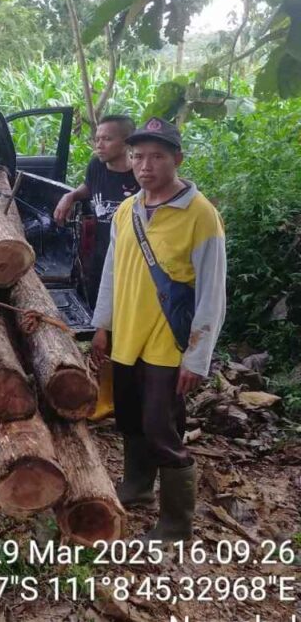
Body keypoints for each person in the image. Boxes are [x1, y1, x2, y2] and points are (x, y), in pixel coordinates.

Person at [90, 117, 226, 542]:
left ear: (177, 160)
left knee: (161, 428)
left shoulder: (201, 216)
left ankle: (176, 523)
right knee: (130, 419)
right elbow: (112, 270)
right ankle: (136, 488)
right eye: (138, 156)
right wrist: (102, 325)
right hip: (127, 339)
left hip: (169, 345)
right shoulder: (128, 210)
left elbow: (211, 293)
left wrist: (197, 357)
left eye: (157, 156)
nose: (145, 165)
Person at [54, 115, 139, 308]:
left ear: (127, 142)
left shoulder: (140, 174)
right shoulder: (97, 166)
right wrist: (70, 196)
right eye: (97, 138)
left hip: (131, 258)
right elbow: (89, 186)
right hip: (102, 254)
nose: (99, 144)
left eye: (107, 139)